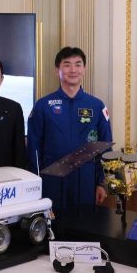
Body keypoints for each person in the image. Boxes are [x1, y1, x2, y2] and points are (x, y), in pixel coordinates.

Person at [27, 47, 112, 213]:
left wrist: (101, 183)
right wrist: (35, 184)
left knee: (85, 227)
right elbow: (33, 147)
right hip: (51, 178)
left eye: (78, 64)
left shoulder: (97, 105)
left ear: (84, 69)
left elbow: (105, 146)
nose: (73, 70)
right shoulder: (43, 105)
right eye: (67, 64)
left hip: (86, 179)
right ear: (57, 70)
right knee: (53, 228)